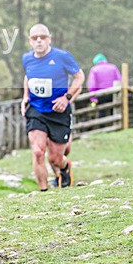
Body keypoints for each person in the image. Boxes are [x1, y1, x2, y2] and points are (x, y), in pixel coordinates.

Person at [21, 24, 84, 191]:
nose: (39, 41)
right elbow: (28, 77)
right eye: (35, 38)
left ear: (49, 39)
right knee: (38, 152)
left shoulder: (62, 57)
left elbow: (79, 77)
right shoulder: (26, 58)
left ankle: (64, 166)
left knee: (55, 159)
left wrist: (66, 97)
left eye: (42, 37)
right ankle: (44, 191)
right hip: (36, 110)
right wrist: (25, 96)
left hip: (58, 112)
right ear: (30, 40)